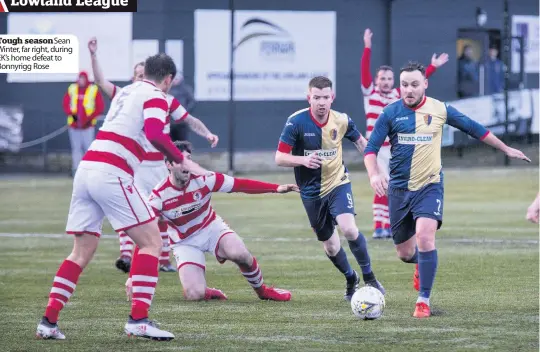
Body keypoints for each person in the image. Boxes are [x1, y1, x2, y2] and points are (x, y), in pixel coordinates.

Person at [36, 53, 204, 340]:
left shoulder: (127, 91)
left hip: (87, 169)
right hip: (111, 171)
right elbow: (154, 133)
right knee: (152, 242)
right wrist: (179, 158)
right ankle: (138, 319)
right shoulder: (156, 95)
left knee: (80, 252)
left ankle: (48, 322)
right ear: (167, 80)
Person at [363, 61, 531, 318]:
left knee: (425, 236)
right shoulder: (390, 113)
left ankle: (423, 301)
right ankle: (421, 263)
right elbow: (370, 149)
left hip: (430, 186)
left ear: (425, 84)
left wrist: (505, 148)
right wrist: (374, 173)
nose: (409, 90)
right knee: (405, 253)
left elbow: (474, 128)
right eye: (405, 85)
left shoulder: (439, 109)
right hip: (398, 190)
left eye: (415, 84)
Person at [88, 37, 219, 273]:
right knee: (134, 213)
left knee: (163, 214)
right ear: (134, 78)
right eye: (137, 75)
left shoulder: (165, 99)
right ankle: (127, 256)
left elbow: (188, 119)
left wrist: (207, 133)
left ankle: (163, 260)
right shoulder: (125, 95)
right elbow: (99, 81)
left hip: (159, 166)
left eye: (142, 74)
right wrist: (94, 56)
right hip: (135, 167)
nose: (140, 78)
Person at [127, 141, 295, 302]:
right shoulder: (159, 196)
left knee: (240, 254)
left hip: (211, 228)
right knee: (194, 294)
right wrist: (133, 277)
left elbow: (239, 184)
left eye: (188, 159)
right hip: (185, 242)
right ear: (169, 165)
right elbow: (143, 237)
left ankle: (263, 291)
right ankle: (207, 292)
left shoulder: (204, 178)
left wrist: (275, 188)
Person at [275, 76, 385, 301]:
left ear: (332, 97)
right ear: (309, 98)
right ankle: (350, 277)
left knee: (350, 229)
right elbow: (279, 157)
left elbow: (362, 144)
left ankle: (370, 277)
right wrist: (302, 161)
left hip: (338, 184)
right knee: (331, 247)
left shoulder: (342, 120)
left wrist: (376, 170)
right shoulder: (296, 122)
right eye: (317, 98)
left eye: (326, 97)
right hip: (311, 193)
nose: (322, 102)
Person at [361, 28, 449, 239]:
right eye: (382, 78)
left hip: (393, 148)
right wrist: (367, 47)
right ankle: (379, 225)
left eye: (389, 79)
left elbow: (417, 83)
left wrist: (432, 67)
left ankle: (388, 225)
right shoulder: (369, 93)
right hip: (375, 149)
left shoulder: (396, 95)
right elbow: (364, 71)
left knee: (391, 187)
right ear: (376, 80)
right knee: (381, 184)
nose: (386, 82)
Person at [62, 71, 104, 176]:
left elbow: (99, 107)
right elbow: (66, 104)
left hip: (88, 125)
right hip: (74, 126)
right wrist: (74, 118)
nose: (81, 80)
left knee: (88, 148)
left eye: (83, 78)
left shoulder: (93, 89)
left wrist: (89, 119)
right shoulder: (72, 88)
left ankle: (88, 171)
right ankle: (75, 170)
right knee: (76, 149)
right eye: (79, 78)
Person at [169, 73, 196, 143]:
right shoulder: (166, 90)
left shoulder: (186, 90)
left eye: (177, 79)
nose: (175, 81)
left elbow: (191, 102)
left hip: (182, 123)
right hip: (169, 122)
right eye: (173, 79)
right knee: (170, 143)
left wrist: (184, 112)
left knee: (183, 143)